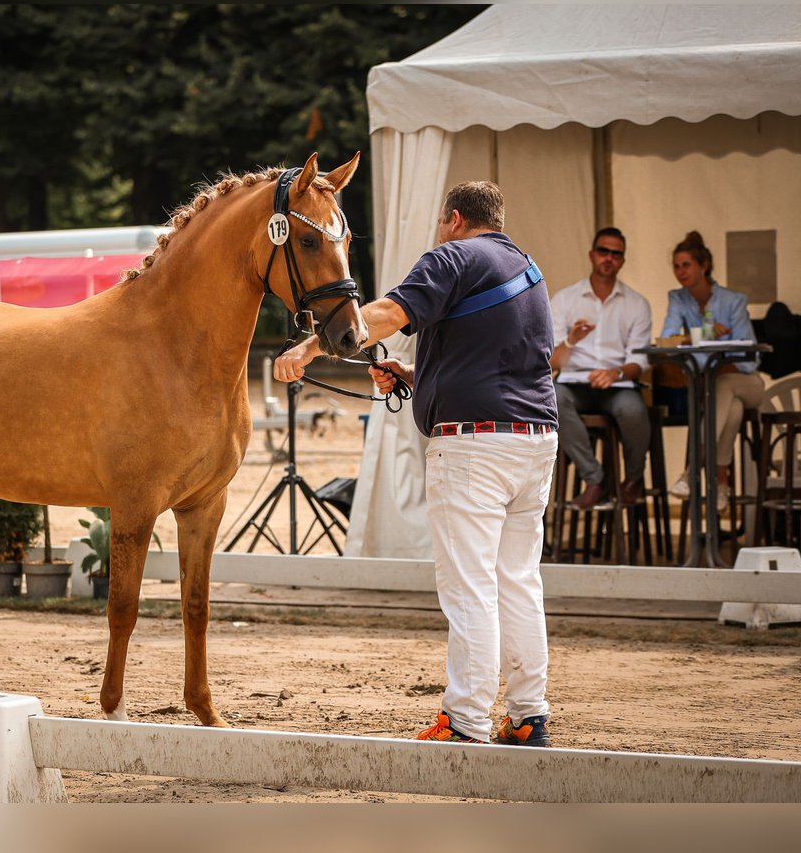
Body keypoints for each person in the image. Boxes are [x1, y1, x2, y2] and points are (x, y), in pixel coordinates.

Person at [274, 180, 558, 746]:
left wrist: (311, 347)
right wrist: (414, 377)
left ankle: (467, 720)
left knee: (469, 587)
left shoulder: (451, 256)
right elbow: (494, 359)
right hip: (534, 440)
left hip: (473, 446)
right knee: (518, 583)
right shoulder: (527, 269)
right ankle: (528, 715)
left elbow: (385, 314)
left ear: (455, 218)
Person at [549, 228, 652, 510]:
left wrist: (615, 372)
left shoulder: (637, 304)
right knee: (552, 398)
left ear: (623, 260)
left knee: (633, 410)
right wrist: (572, 339)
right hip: (573, 384)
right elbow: (551, 362)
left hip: (617, 386)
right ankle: (595, 479)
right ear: (592, 255)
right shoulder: (565, 299)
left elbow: (639, 362)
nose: (608, 258)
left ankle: (632, 481)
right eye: (603, 251)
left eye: (616, 253)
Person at [662, 230, 765, 510]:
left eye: (686, 265)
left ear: (703, 265)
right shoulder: (678, 298)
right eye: (676, 266)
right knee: (731, 410)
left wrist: (715, 360)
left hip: (748, 383)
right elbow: (667, 340)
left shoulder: (733, 301)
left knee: (725, 385)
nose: (680, 272)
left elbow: (748, 360)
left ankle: (691, 472)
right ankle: (721, 482)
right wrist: (703, 334)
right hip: (713, 390)